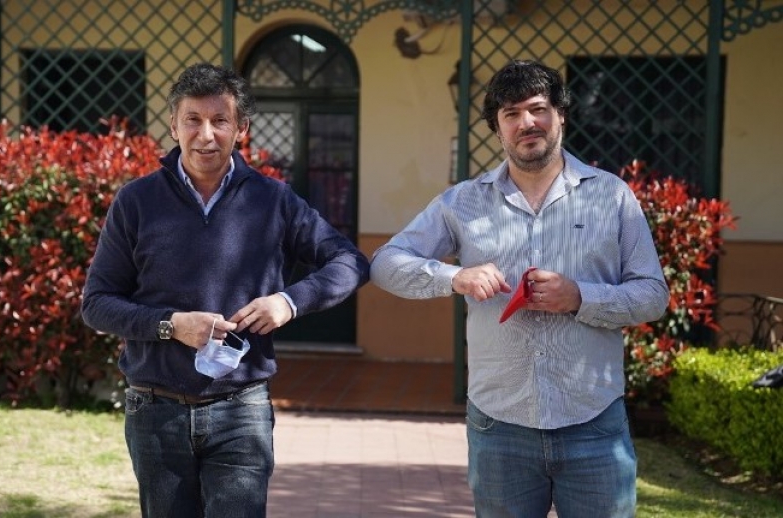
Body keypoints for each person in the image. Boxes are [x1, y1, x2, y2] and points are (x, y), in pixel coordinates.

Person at [370, 60, 669, 517]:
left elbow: (653, 294)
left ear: (561, 115)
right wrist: (455, 277)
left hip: (593, 421)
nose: (527, 123)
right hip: (499, 425)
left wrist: (581, 297)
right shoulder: (462, 202)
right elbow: (386, 264)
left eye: (538, 109)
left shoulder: (611, 196)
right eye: (511, 114)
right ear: (498, 129)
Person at [81, 62, 369, 517]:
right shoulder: (136, 202)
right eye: (192, 120)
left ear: (241, 128)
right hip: (156, 410)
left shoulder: (274, 200)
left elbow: (350, 262)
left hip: (242, 409)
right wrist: (170, 325)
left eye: (220, 120)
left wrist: (288, 302)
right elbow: (96, 305)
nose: (205, 135)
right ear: (173, 125)